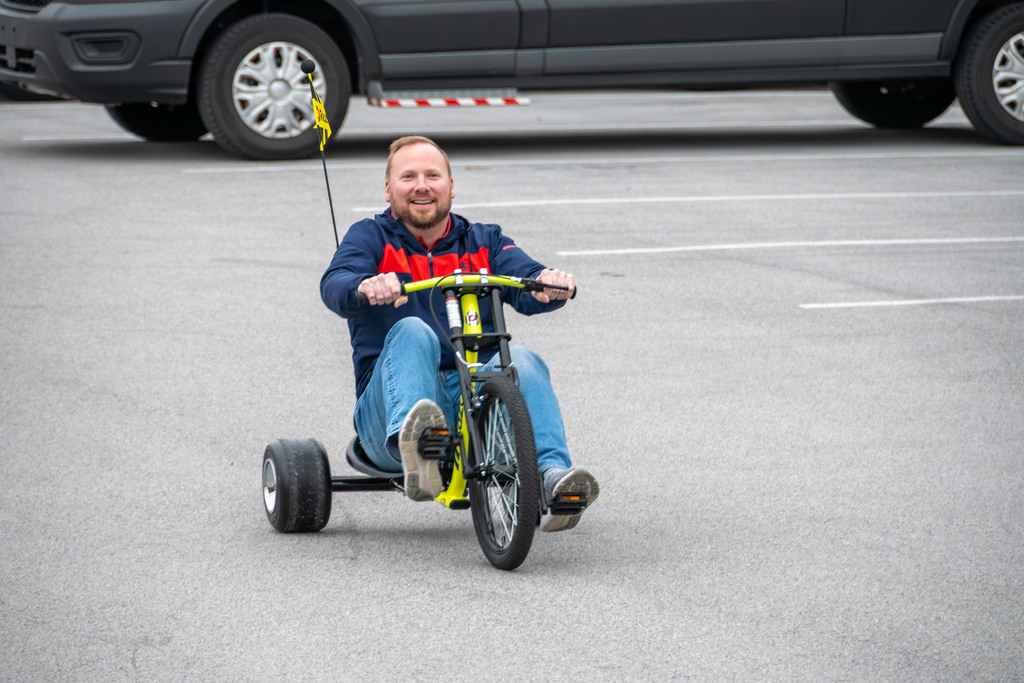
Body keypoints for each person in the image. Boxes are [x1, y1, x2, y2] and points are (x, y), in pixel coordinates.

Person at [320, 135, 598, 532]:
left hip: (470, 399)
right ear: (388, 189)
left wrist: (549, 284)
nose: (421, 185)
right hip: (387, 410)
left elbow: (528, 282)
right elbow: (335, 284)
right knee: (412, 330)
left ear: (450, 186)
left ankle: (552, 477)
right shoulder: (369, 237)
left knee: (524, 360)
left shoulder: (483, 241)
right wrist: (364, 286)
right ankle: (417, 448)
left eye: (433, 175)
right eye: (408, 176)